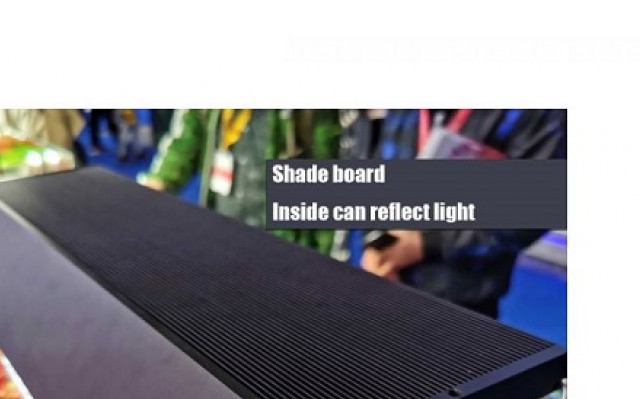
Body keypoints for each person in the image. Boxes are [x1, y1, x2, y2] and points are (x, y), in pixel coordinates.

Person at [341, 109, 567, 317]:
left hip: (460, 296)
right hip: (384, 275)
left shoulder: (537, 113)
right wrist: (376, 246)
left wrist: (427, 243)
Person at [138, 109, 341, 256]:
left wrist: (327, 257)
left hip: (285, 242)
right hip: (221, 227)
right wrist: (156, 184)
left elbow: (328, 179)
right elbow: (185, 139)